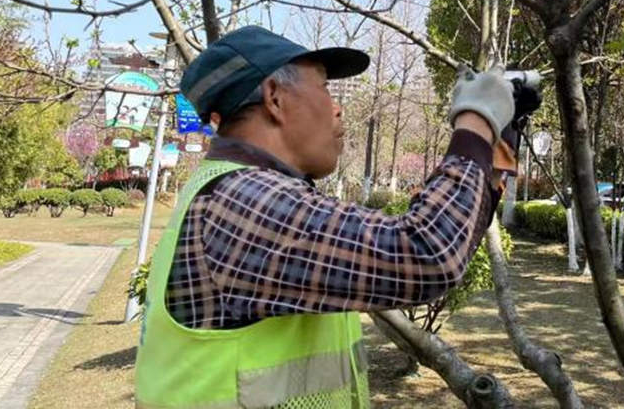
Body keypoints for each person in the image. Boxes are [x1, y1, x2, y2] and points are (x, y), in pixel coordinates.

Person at [134, 25, 526, 409]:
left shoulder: (243, 192)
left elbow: (441, 242)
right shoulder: (241, 200)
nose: (337, 106)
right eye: (324, 87)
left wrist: (498, 140)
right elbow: (426, 253)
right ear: (274, 97)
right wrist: (476, 119)